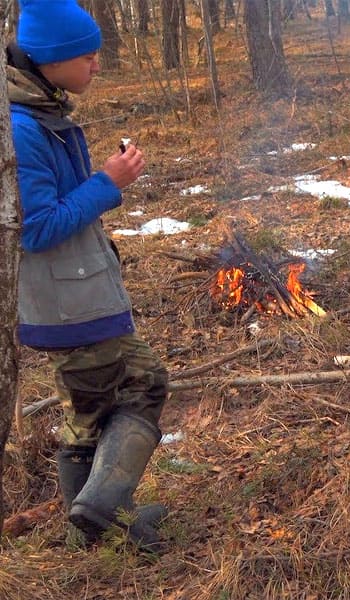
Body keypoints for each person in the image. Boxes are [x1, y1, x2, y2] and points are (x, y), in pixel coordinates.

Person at [7, 0, 167, 551]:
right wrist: (107, 181)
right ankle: (102, 510)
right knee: (144, 382)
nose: (97, 65)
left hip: (76, 288)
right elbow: (37, 228)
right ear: (52, 60)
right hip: (67, 298)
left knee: (88, 408)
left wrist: (103, 182)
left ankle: (96, 530)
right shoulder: (22, 127)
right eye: (88, 56)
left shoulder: (42, 109)